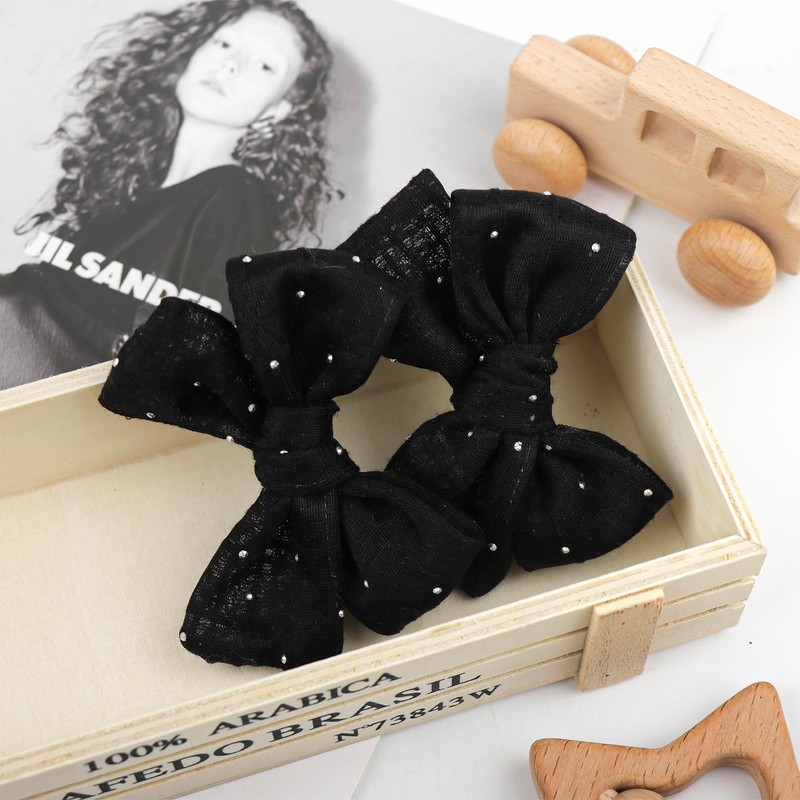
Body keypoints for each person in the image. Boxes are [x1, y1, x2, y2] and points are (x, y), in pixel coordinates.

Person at [1, 0, 335, 390]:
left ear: (279, 109)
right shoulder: (138, 184)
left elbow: (181, 367)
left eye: (265, 66)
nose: (231, 65)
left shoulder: (233, 199)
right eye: (224, 44)